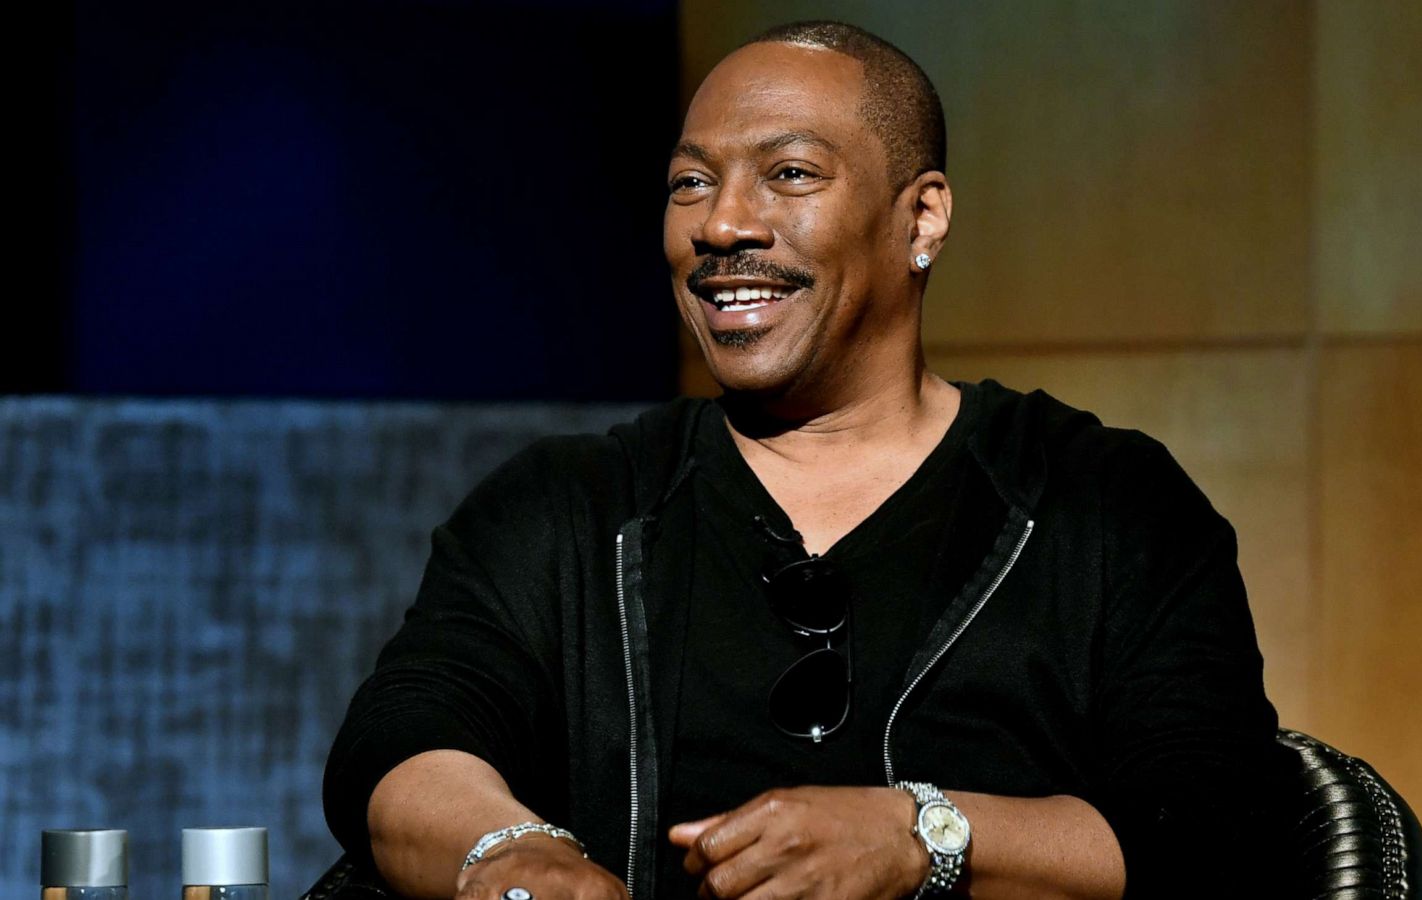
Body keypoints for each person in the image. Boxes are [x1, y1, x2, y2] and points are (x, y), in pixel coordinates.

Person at [324, 20, 1296, 900]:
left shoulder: (1100, 502)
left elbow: (1217, 828)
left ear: (920, 220)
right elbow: (405, 743)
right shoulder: (569, 507)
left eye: (788, 174)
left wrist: (923, 835)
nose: (720, 226)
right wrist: (509, 854)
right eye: (690, 183)